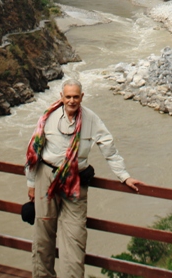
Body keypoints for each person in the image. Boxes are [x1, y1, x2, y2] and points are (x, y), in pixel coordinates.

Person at [26, 79, 142, 278]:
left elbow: (109, 149)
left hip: (75, 182)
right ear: (61, 97)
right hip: (46, 177)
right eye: (68, 97)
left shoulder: (91, 119)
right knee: (43, 233)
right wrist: (30, 183)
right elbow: (33, 150)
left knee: (75, 236)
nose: (72, 101)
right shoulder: (48, 117)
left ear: (82, 97)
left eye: (76, 97)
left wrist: (124, 176)